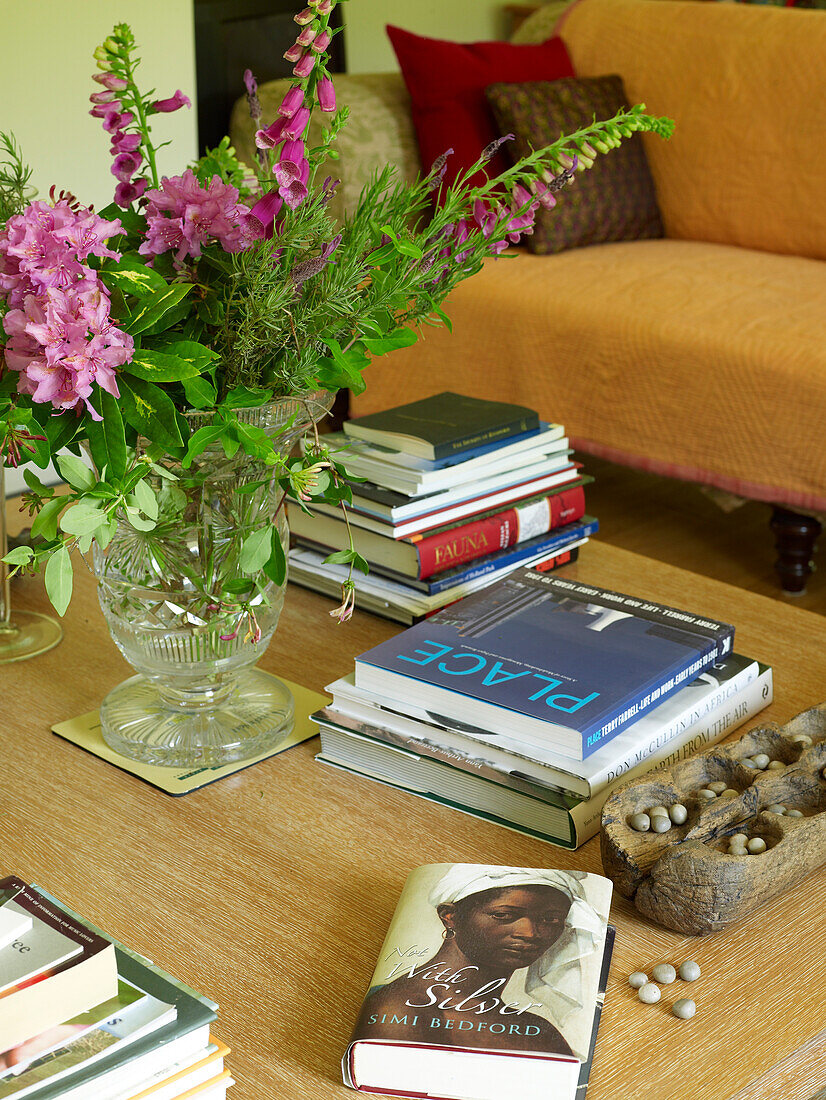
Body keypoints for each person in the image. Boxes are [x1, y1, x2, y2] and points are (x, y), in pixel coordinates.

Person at [353, 866, 606, 1055]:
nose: (529, 933)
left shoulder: (536, 1028)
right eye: (504, 915)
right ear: (450, 916)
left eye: (550, 920)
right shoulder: (400, 1011)